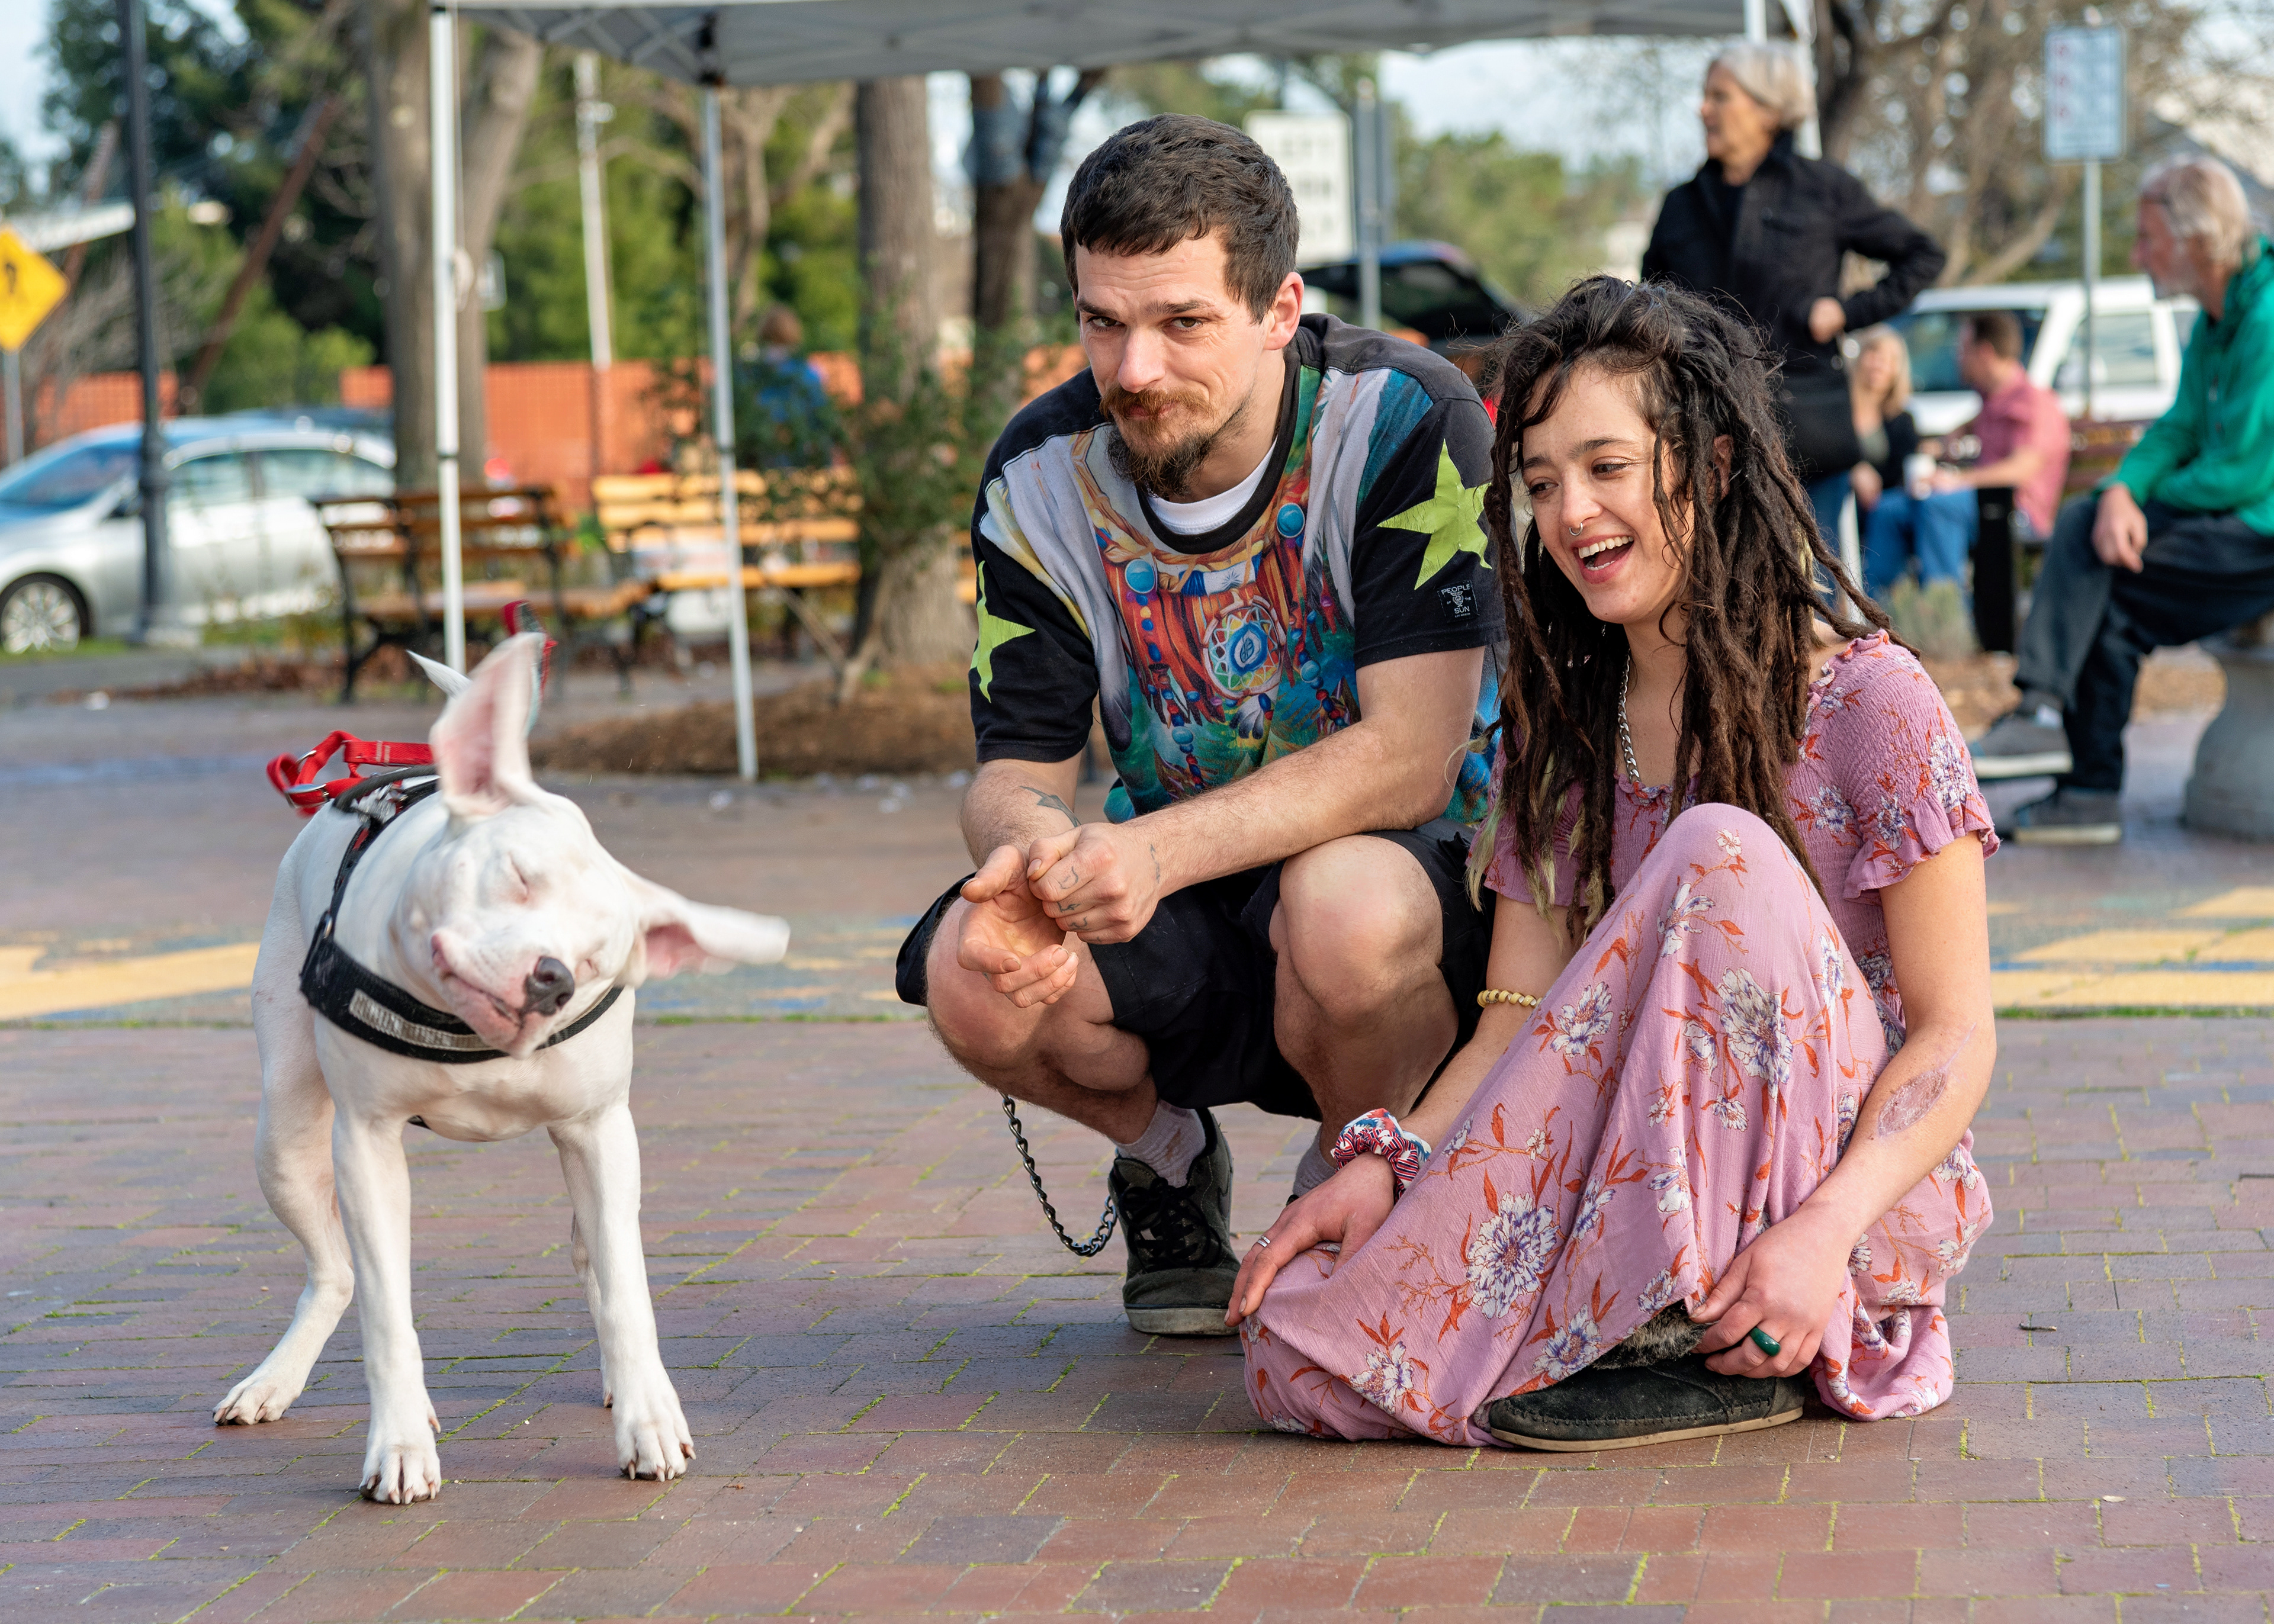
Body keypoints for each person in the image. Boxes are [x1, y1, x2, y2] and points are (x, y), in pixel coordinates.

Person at [1227, 277, 1997, 1451]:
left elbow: (1957, 1033)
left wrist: (1823, 1233)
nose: (1571, 511)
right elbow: (1518, 1018)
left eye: (1607, 466)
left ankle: (1722, 1325)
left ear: (1717, 463)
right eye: (1539, 482)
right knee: (1303, 1347)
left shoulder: (1867, 697)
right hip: (1632, 1167)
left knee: (1719, 846)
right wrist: (1392, 1161)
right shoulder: (1566, 721)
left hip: (1847, 1202)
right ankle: (1638, 1325)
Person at [894, 115, 1505, 1336]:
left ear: (1280, 309)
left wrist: (1153, 853)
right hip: (1184, 906)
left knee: (1340, 903)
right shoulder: (1036, 473)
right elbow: (1014, 765)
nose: (1131, 370)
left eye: (1181, 324)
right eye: (1102, 321)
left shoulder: (1402, 418)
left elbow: (1416, 752)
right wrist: (1032, 848)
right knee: (974, 966)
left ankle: (1360, 1179)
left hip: (1414, 908)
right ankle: (1168, 1163)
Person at [1970, 155, 2274, 842]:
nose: (2137, 254)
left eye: (2146, 238)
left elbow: (2244, 474)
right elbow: (2177, 430)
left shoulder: (2266, 316)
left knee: (2095, 556)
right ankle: (2080, 785)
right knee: (2104, 580)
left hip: (2261, 530)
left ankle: (2072, 761)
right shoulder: (2216, 317)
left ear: (2195, 238)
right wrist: (2125, 488)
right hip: (2235, 519)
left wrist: (2124, 500)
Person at [1642, 43, 1945, 550]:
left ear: (1768, 111)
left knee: (1811, 587)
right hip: (1703, 425)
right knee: (1718, 582)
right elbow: (1647, 303)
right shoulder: (1682, 204)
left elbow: (1923, 256)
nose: (1703, 109)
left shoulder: (1822, 189)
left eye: (1720, 96)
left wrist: (1848, 312)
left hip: (1804, 428)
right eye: (1704, 96)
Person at [1861, 311, 2070, 601]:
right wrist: (1947, 440)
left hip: (2016, 512)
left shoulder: (2035, 403)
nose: (1958, 358)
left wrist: (1958, 480)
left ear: (1983, 353)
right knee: (1889, 509)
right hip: (1977, 505)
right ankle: (1877, 616)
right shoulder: (1994, 400)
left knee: (1938, 506)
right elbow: (1976, 423)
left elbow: (2023, 468)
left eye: (1962, 350)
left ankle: (1946, 625)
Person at [1846, 324, 1919, 519]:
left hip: (1880, 513)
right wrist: (1852, 470)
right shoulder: (1838, 411)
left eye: (1891, 359)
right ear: (1860, 357)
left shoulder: (1902, 421)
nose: (1880, 364)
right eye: (1874, 353)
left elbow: (1903, 474)